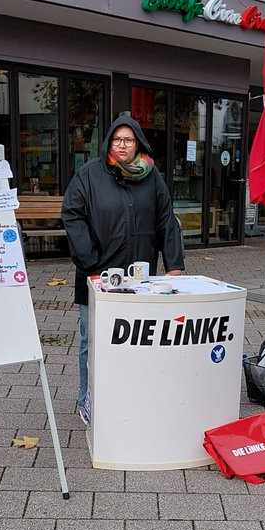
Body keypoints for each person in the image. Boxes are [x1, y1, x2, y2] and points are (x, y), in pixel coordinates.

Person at [62, 113, 184, 420]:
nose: (121, 145)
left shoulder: (151, 176)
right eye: (116, 139)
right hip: (97, 276)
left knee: (136, 341)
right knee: (93, 342)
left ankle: (130, 397)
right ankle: (87, 400)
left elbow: (166, 220)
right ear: (108, 142)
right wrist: (90, 261)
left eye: (128, 140)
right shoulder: (89, 174)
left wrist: (174, 265)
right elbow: (72, 215)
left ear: (138, 143)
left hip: (140, 278)